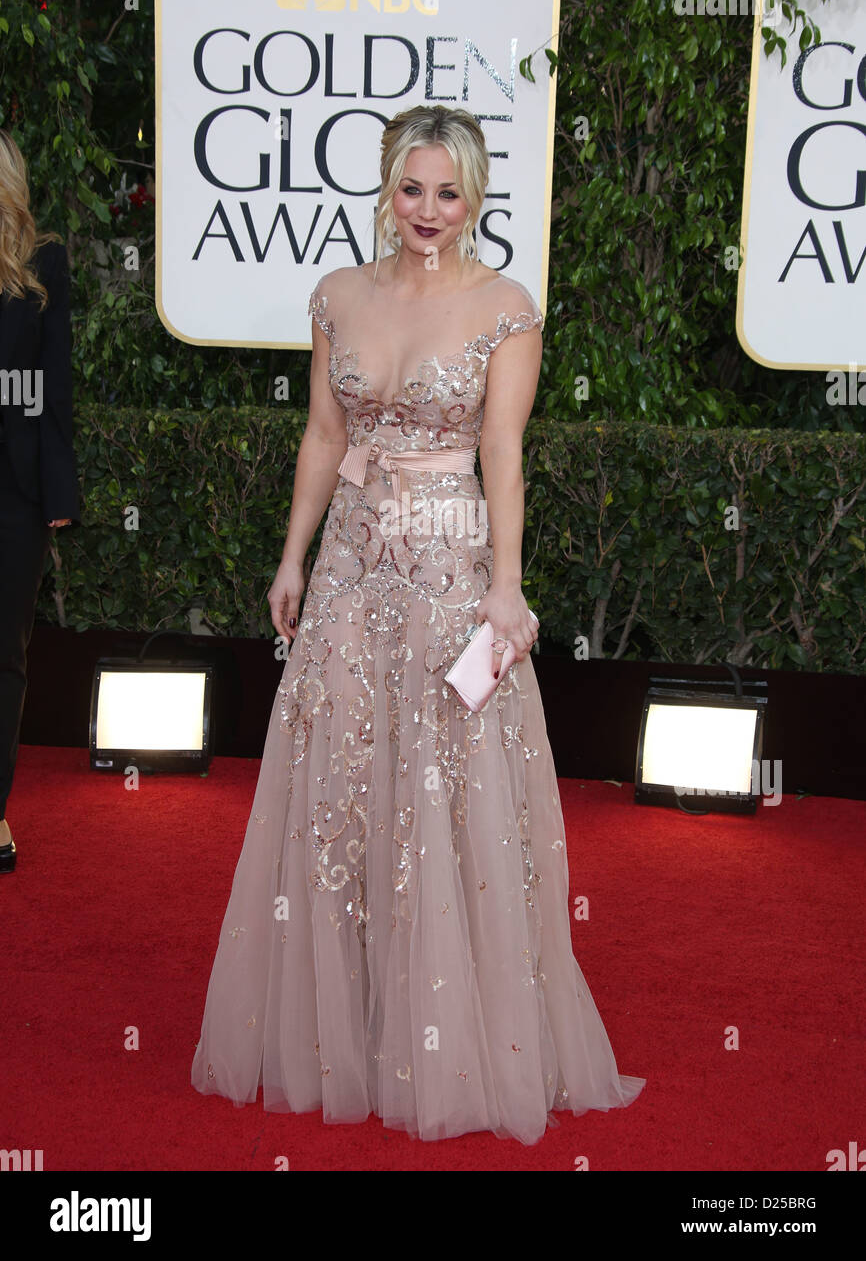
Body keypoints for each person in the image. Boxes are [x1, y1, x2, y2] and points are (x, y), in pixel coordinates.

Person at [191, 104, 644, 1144]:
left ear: (474, 197)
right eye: (411, 188)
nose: (427, 210)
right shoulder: (338, 295)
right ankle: (341, 1022)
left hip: (447, 569)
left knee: (444, 790)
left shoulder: (505, 308)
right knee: (342, 782)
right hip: (351, 564)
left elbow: (503, 454)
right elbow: (322, 433)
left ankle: (449, 1027)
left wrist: (505, 588)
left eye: (448, 192)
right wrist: (293, 555)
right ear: (386, 188)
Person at [0, 128, 79, 874]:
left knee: (5, 656)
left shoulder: (41, 263)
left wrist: (59, 488)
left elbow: (54, 382)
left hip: (13, 491)